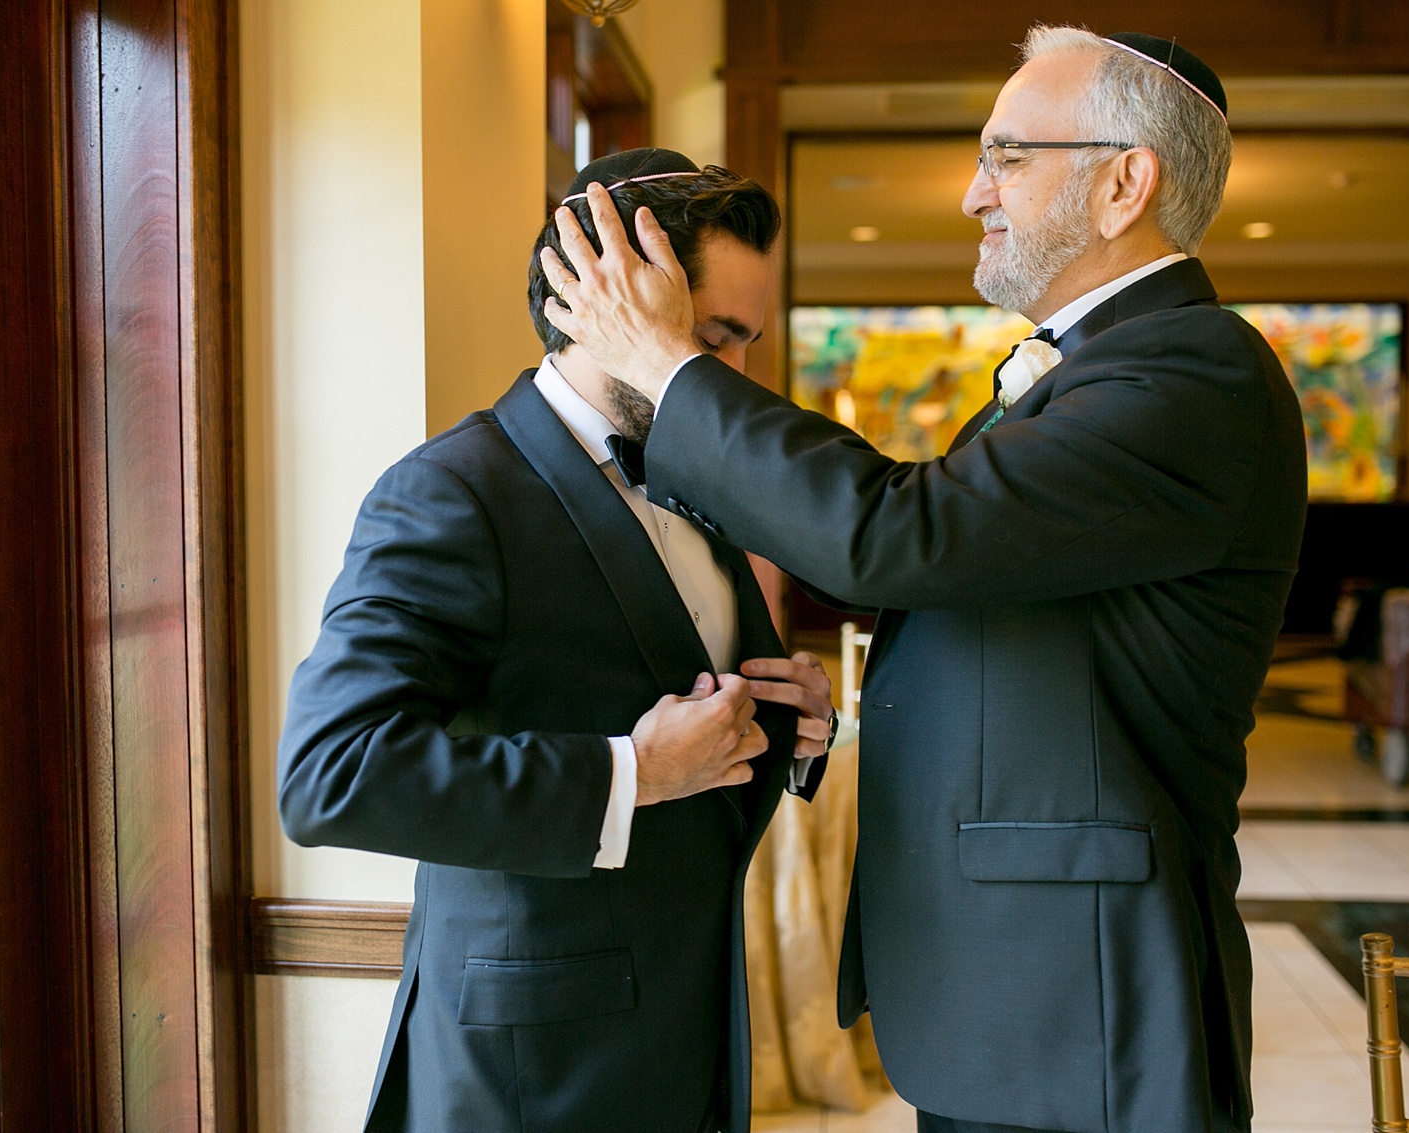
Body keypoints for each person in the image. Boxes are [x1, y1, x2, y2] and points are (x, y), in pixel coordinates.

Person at [538, 28, 1308, 1133]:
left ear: (1123, 183)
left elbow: (901, 534)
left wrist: (669, 363)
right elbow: (940, 561)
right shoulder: (1092, 370)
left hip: (1078, 998)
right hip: (1016, 985)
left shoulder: (1194, 371)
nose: (970, 193)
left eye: (1006, 157)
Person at [277, 148, 836, 1133]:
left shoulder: (698, 473)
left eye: (744, 343)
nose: (732, 379)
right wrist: (630, 772)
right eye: (711, 338)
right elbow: (329, 773)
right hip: (528, 1069)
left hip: (680, 1038)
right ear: (594, 294)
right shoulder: (451, 492)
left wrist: (776, 723)